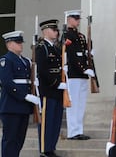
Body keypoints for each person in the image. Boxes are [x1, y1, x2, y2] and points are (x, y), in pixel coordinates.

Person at [0, 31, 40, 157]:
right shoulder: (5, 60)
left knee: (19, 140)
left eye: (21, 42)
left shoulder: (26, 61)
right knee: (10, 140)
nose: (20, 45)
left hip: (23, 107)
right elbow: (7, 83)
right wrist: (25, 96)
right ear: (9, 44)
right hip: (11, 106)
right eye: (17, 43)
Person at [36, 19, 66, 157]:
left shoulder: (56, 47)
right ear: (46, 31)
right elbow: (42, 70)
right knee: (47, 121)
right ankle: (44, 149)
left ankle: (51, 147)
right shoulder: (41, 48)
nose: (56, 32)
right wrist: (56, 83)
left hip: (58, 91)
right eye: (54, 30)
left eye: (56, 30)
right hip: (48, 90)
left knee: (56, 121)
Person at [64, 10, 95, 140]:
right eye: (75, 19)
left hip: (82, 75)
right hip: (74, 74)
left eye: (78, 19)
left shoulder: (81, 36)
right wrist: (83, 69)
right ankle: (72, 131)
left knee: (81, 103)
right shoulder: (67, 35)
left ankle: (79, 129)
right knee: (74, 104)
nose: (77, 21)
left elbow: (84, 53)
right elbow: (71, 55)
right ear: (69, 19)